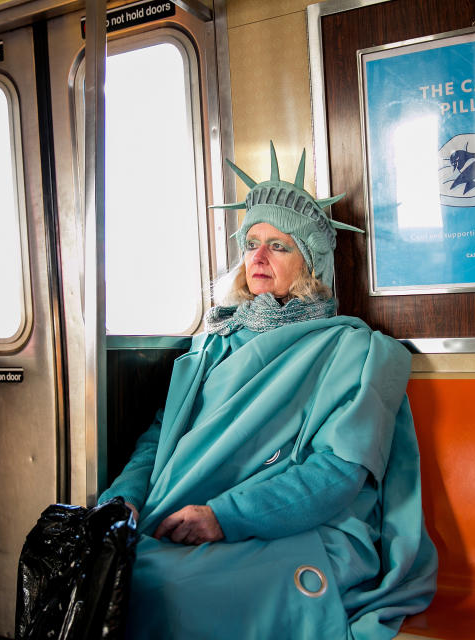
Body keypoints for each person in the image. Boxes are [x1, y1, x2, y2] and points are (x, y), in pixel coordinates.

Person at [98, 142, 438, 639]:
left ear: (312, 263)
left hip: (305, 527)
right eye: (252, 242)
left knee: (170, 589)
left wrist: (223, 518)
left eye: (279, 245)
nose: (257, 256)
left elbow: (338, 473)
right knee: (112, 574)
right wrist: (123, 498)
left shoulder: (354, 349)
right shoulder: (213, 344)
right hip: (179, 511)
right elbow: (159, 439)